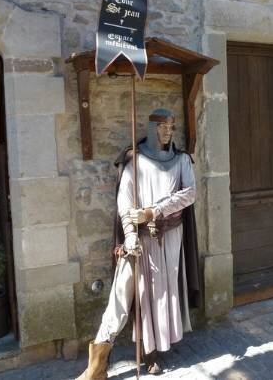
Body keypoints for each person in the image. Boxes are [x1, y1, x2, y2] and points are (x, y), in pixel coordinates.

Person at [77, 109, 200, 379]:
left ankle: (154, 350)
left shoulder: (182, 160)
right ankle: (136, 355)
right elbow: (125, 201)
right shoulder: (134, 159)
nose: (168, 131)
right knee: (141, 296)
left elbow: (190, 193)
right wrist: (130, 234)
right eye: (163, 126)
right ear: (152, 127)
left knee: (164, 293)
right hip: (141, 240)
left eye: (171, 126)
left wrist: (154, 211)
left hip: (171, 236)